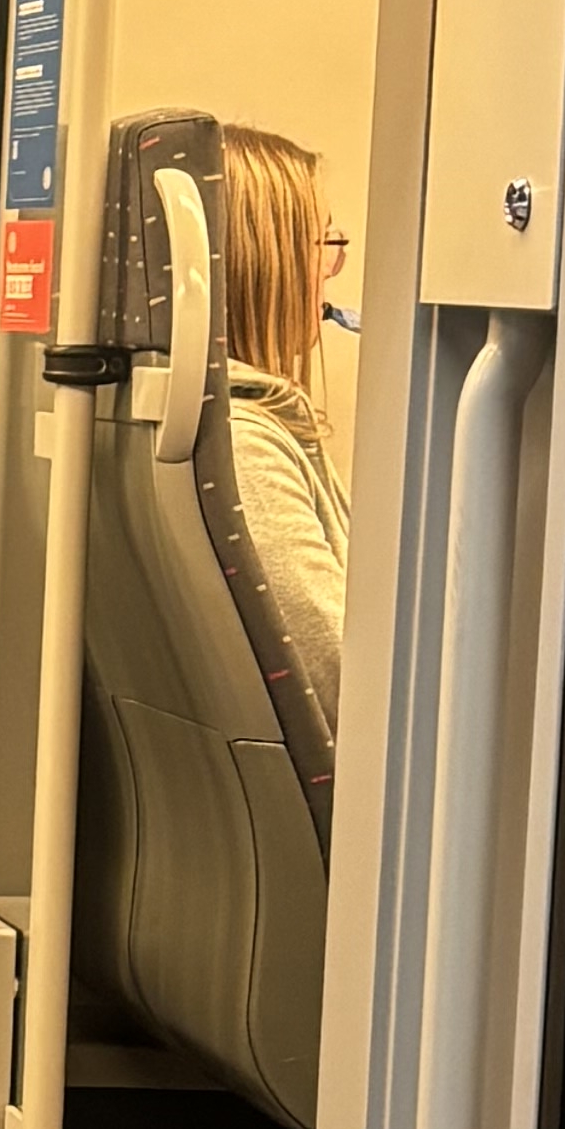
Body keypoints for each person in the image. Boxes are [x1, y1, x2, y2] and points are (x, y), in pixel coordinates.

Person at [212, 123, 352, 739]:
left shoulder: (219, 421)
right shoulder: (246, 446)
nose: (331, 271)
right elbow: (346, 681)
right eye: (324, 242)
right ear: (266, 261)